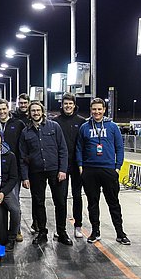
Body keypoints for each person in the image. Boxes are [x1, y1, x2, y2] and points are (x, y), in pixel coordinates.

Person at [76, 97, 130, 245]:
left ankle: (120, 233)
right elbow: (79, 148)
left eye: (99, 109)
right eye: (94, 109)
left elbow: (119, 147)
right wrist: (81, 166)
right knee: (92, 203)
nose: (97, 112)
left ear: (104, 110)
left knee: (113, 203)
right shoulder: (85, 127)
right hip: (90, 170)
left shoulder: (112, 127)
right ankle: (95, 231)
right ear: (91, 110)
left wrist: (117, 167)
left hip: (108, 170)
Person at [19, 100, 70, 246]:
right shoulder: (25, 132)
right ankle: (42, 232)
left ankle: (62, 232)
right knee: (38, 203)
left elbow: (63, 149)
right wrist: (25, 177)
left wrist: (62, 170)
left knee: (60, 202)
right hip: (36, 172)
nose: (36, 113)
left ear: (42, 111)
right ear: (29, 113)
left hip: (55, 171)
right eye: (33, 110)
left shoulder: (54, 127)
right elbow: (22, 157)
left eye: (38, 110)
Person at [0, 98, 25, 242]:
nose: (2, 112)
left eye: (4, 109)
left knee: (14, 200)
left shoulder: (18, 124)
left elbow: (22, 147)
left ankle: (17, 230)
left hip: (12, 171)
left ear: (8, 109)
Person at [54, 92, 87, 239]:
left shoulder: (82, 122)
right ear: (62, 105)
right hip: (61, 166)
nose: (68, 106)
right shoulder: (56, 122)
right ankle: (60, 228)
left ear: (74, 105)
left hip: (77, 166)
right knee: (61, 198)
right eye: (65, 103)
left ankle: (78, 226)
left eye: (70, 104)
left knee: (77, 196)